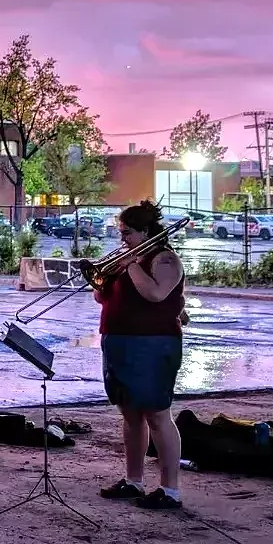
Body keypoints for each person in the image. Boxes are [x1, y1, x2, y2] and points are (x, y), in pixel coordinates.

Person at [95, 200, 189, 511]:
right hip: (118, 341)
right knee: (131, 414)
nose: (122, 238)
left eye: (127, 233)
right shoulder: (127, 259)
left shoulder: (164, 259)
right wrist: (107, 276)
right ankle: (133, 480)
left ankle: (170, 490)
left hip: (153, 345)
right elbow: (101, 295)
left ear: (146, 231)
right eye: (121, 232)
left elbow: (156, 293)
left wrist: (131, 264)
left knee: (157, 415)